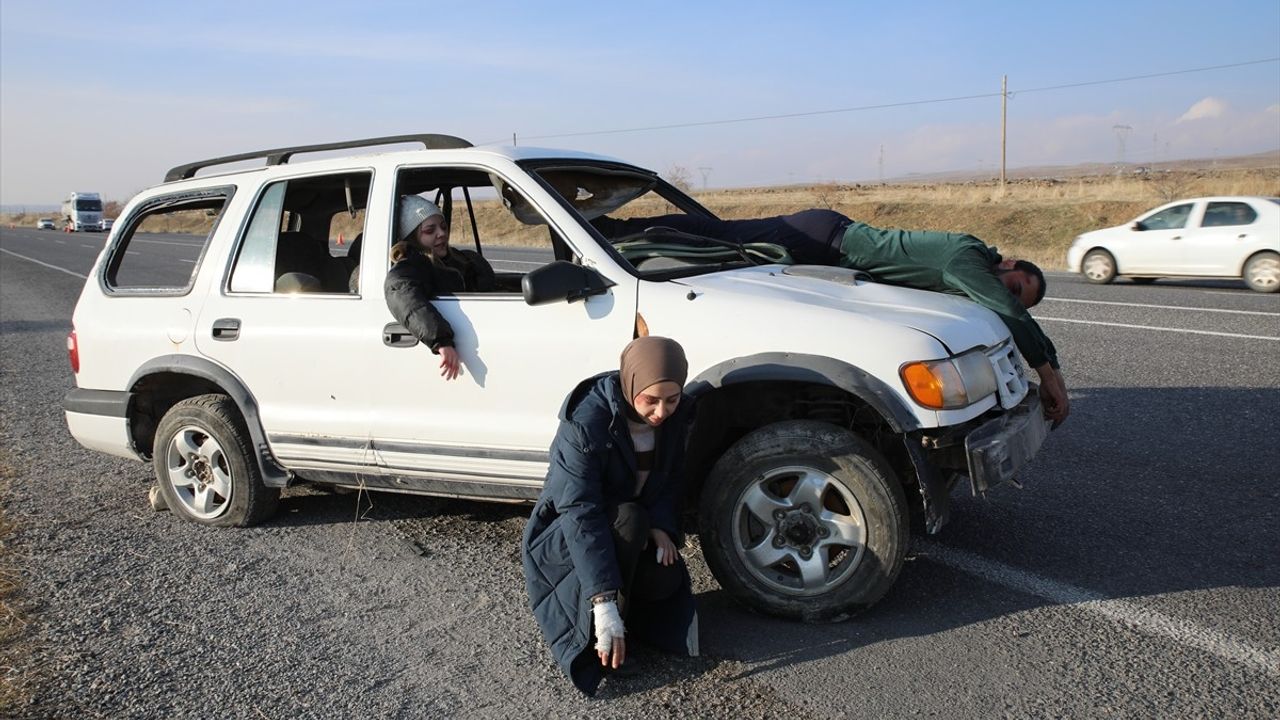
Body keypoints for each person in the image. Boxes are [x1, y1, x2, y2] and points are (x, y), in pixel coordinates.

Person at [592, 211, 1069, 426]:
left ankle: (616, 231)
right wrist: (1049, 373)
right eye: (1013, 287)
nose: (1004, 296)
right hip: (823, 238)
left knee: (717, 238)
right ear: (1007, 264)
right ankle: (609, 231)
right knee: (716, 234)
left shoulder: (968, 267)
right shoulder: (966, 257)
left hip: (829, 241)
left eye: (1015, 297)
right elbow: (1005, 311)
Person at [522, 336, 699, 696]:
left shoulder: (679, 417)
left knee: (664, 578)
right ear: (631, 383)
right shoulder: (586, 422)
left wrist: (662, 525)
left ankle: (629, 621)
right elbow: (579, 511)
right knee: (631, 520)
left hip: (634, 523)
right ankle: (600, 635)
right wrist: (603, 603)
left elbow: (672, 479)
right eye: (651, 400)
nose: (662, 412)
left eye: (672, 399)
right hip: (568, 534)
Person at [384, 195, 495, 381]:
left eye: (443, 226)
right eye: (430, 230)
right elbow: (402, 293)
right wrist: (441, 341)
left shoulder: (463, 259)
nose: (441, 233)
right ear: (412, 237)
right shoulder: (413, 265)